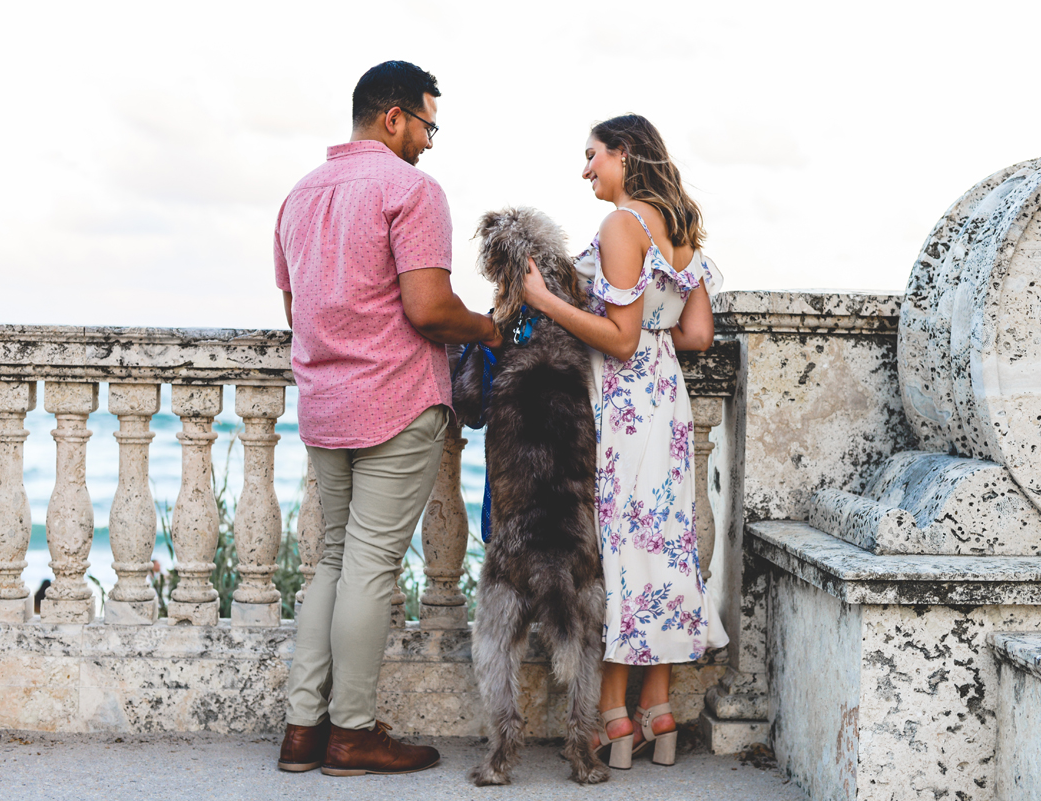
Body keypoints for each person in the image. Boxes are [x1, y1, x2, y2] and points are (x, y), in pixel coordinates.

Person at [273, 60, 501, 777]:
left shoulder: (299, 196)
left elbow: (295, 311)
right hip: (394, 403)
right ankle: (352, 734)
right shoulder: (411, 190)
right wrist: (488, 329)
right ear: (393, 116)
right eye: (428, 125)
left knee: (333, 561)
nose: (431, 142)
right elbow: (428, 307)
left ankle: (302, 731)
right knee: (370, 565)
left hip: (325, 403)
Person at [523, 114, 730, 768]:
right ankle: (657, 709)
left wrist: (543, 299)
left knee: (618, 548)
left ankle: (613, 715)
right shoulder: (678, 232)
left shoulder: (621, 225)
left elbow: (618, 337)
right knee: (661, 545)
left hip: (624, 403)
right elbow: (695, 334)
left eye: (593, 156)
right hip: (667, 399)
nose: (586, 169)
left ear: (626, 153)